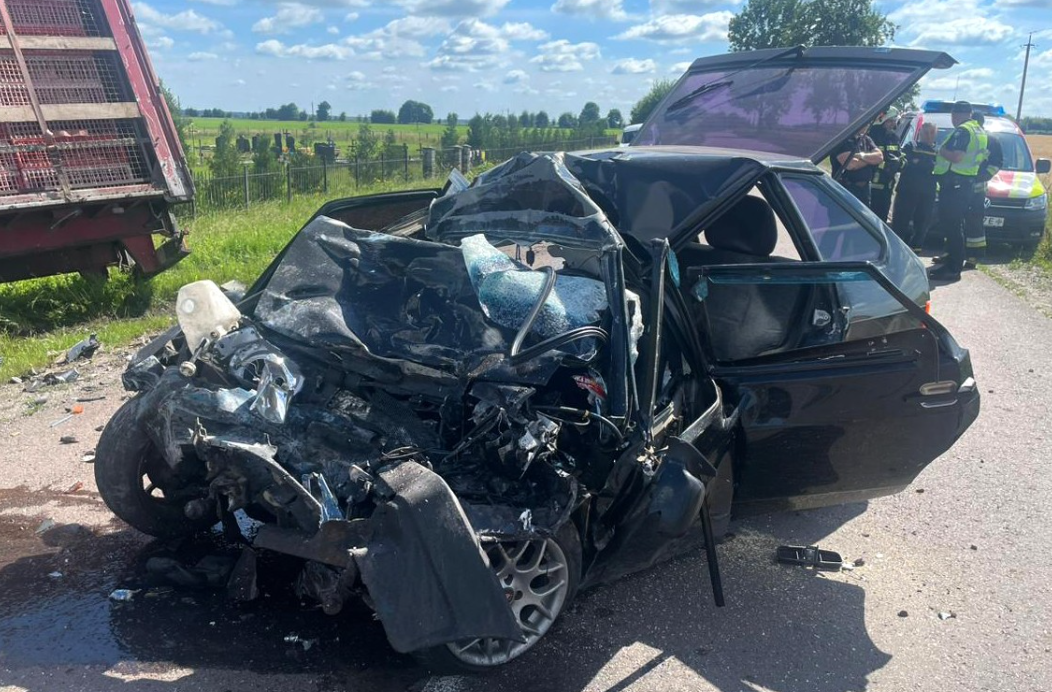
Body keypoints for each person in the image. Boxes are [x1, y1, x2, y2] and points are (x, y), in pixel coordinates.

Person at [928, 100, 987, 282]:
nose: (952, 119)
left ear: (958, 114)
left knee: (952, 225)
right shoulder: (978, 130)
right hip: (965, 183)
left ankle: (953, 268)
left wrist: (939, 149)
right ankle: (953, 262)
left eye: (953, 115)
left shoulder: (963, 130)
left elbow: (957, 156)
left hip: (956, 183)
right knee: (956, 225)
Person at [962, 111, 1001, 269]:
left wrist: (983, 176)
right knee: (955, 220)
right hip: (961, 186)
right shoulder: (965, 136)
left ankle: (973, 257)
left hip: (977, 189)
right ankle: (951, 252)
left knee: (974, 222)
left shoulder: (990, 140)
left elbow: (996, 163)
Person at [891, 122, 938, 250]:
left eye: (931, 133)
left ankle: (916, 248)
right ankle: (896, 247)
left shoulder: (937, 151)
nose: (928, 136)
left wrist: (920, 162)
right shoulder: (911, 146)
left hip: (927, 193)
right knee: (901, 221)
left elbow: (938, 168)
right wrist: (927, 164)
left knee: (923, 223)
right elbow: (907, 163)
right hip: (907, 190)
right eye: (926, 132)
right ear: (920, 133)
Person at [867, 107, 904, 223]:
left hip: (887, 186)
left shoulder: (894, 137)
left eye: (894, 121)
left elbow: (898, 155)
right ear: (883, 119)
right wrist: (884, 165)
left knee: (881, 220)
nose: (893, 124)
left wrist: (900, 163)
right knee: (867, 219)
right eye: (891, 121)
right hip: (871, 185)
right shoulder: (871, 135)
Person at [831, 126, 883, 206]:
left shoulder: (867, 139)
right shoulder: (842, 139)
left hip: (864, 190)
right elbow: (851, 164)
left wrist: (859, 156)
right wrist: (870, 160)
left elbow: (879, 157)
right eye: (866, 122)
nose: (868, 125)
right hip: (845, 188)